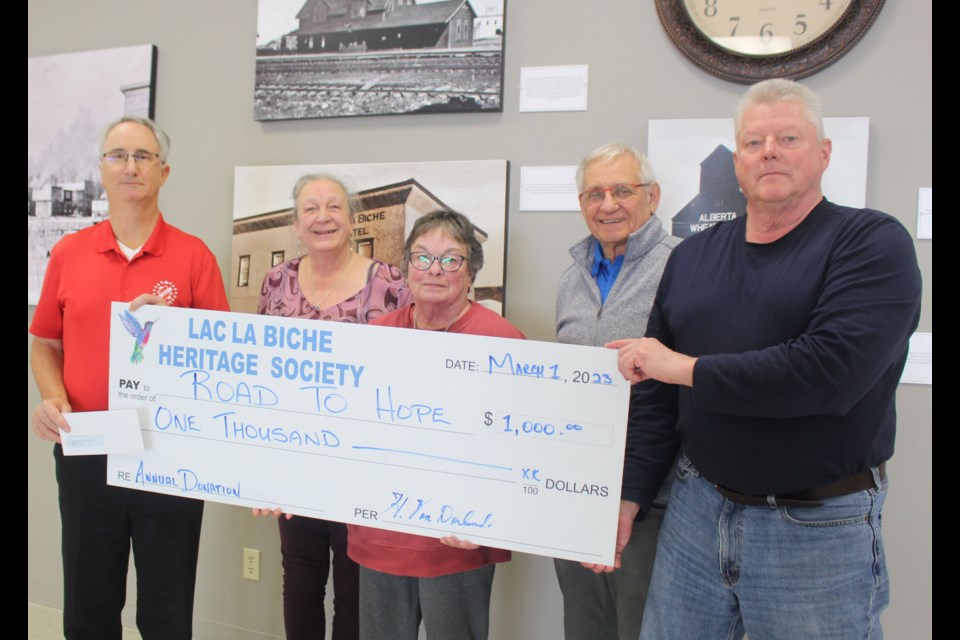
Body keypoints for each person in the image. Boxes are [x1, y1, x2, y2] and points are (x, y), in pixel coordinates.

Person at [602, 78, 922, 639]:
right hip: (695, 513)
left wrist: (684, 367)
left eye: (788, 137)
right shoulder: (694, 256)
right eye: (753, 142)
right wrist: (631, 495)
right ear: (737, 161)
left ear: (823, 154)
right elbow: (654, 395)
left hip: (816, 527)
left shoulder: (871, 243)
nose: (769, 151)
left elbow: (827, 374)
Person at [29, 116, 229, 639]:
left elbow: (219, 361)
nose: (130, 166)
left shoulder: (194, 257)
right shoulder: (69, 254)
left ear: (164, 171)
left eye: (142, 156)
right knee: (88, 606)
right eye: (118, 156)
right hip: (88, 450)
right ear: (101, 170)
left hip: (170, 454)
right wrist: (53, 397)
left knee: (166, 610)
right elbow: (46, 342)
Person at [347, 209, 524, 640]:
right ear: (406, 267)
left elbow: (517, 451)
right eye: (422, 257)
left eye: (451, 259)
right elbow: (349, 432)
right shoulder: (375, 337)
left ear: (471, 271)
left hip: (456, 541)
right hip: (381, 534)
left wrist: (486, 515)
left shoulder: (502, 342)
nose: (434, 270)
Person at [254, 173, 411, 640]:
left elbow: (407, 374)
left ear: (351, 216)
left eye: (334, 207)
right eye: (310, 208)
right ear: (296, 223)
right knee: (299, 579)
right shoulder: (276, 282)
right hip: (294, 460)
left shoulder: (390, 283)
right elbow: (260, 373)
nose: (323, 217)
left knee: (356, 586)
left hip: (363, 465)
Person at [553, 143, 679, 640]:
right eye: (595, 193)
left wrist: (632, 494)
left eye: (623, 190)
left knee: (643, 626)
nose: (608, 204)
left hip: (653, 498)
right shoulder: (571, 279)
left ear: (653, 196)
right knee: (585, 626)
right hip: (577, 489)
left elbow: (682, 389)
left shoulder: (683, 266)